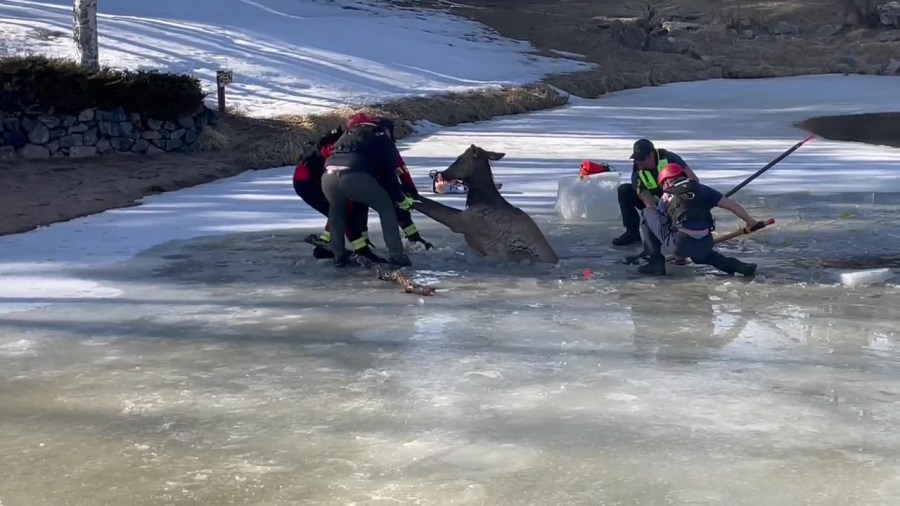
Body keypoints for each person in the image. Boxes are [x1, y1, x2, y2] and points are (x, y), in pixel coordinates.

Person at [321, 112, 415, 267]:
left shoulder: (347, 135)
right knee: (386, 208)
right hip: (354, 177)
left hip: (328, 177)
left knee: (337, 209)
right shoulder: (380, 135)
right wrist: (400, 199)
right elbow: (388, 175)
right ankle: (397, 255)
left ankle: (338, 254)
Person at [636, 163, 760, 278]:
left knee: (648, 213)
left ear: (667, 182)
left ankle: (655, 262)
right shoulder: (701, 189)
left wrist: (678, 253)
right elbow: (732, 205)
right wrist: (750, 222)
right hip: (705, 243)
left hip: (680, 243)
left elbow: (662, 224)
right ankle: (739, 266)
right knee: (706, 256)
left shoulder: (667, 196)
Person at [292, 126, 385, 263]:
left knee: (352, 205)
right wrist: (363, 251)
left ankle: (325, 247)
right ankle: (360, 250)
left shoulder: (353, 145)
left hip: (322, 178)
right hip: (307, 183)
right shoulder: (337, 148)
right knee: (340, 213)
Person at [613, 138, 700, 247]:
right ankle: (632, 234)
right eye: (636, 159)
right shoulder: (639, 166)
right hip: (657, 202)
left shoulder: (670, 158)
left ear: (651, 155)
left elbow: (694, 181)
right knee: (624, 190)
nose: (638, 162)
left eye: (641, 158)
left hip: (678, 202)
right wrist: (656, 218)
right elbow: (643, 193)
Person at [373, 118, 433, 250]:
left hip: (348, 180)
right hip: (376, 181)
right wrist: (410, 189)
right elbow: (401, 169)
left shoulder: (359, 139)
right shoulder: (385, 142)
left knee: (351, 211)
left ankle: (361, 245)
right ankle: (401, 246)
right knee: (396, 206)